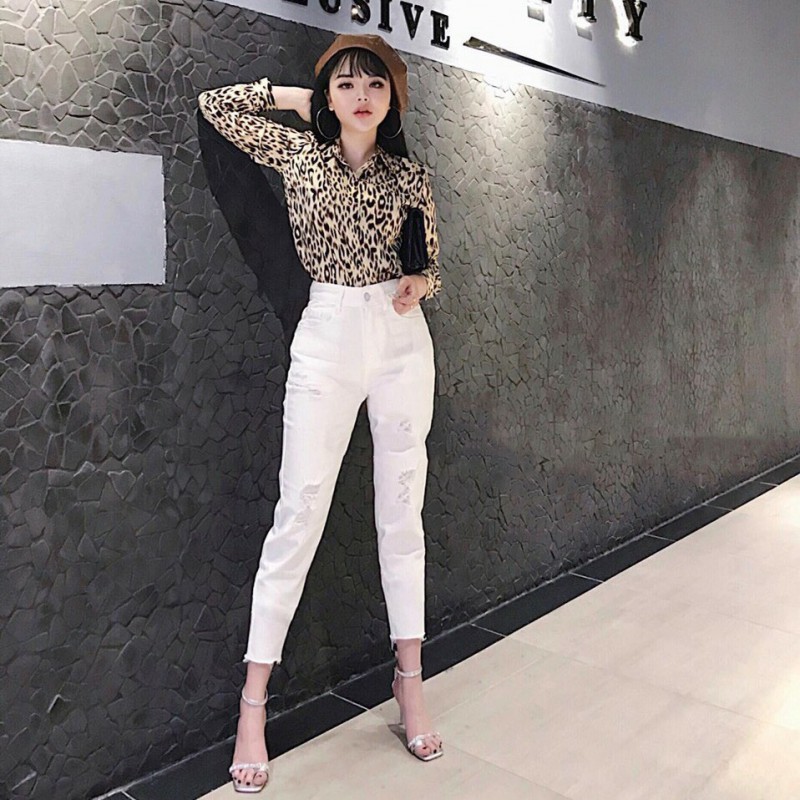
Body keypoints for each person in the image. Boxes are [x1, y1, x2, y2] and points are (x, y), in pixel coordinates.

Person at [198, 33, 443, 793]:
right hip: (328, 328)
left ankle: (410, 681)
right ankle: (252, 704)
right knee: (298, 509)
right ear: (329, 96)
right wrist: (295, 98)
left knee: (402, 510)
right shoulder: (300, 154)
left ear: (392, 97)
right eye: (346, 84)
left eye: (375, 84)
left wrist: (420, 285)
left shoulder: (409, 174)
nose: (361, 96)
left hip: (400, 337)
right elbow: (215, 106)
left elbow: (429, 260)